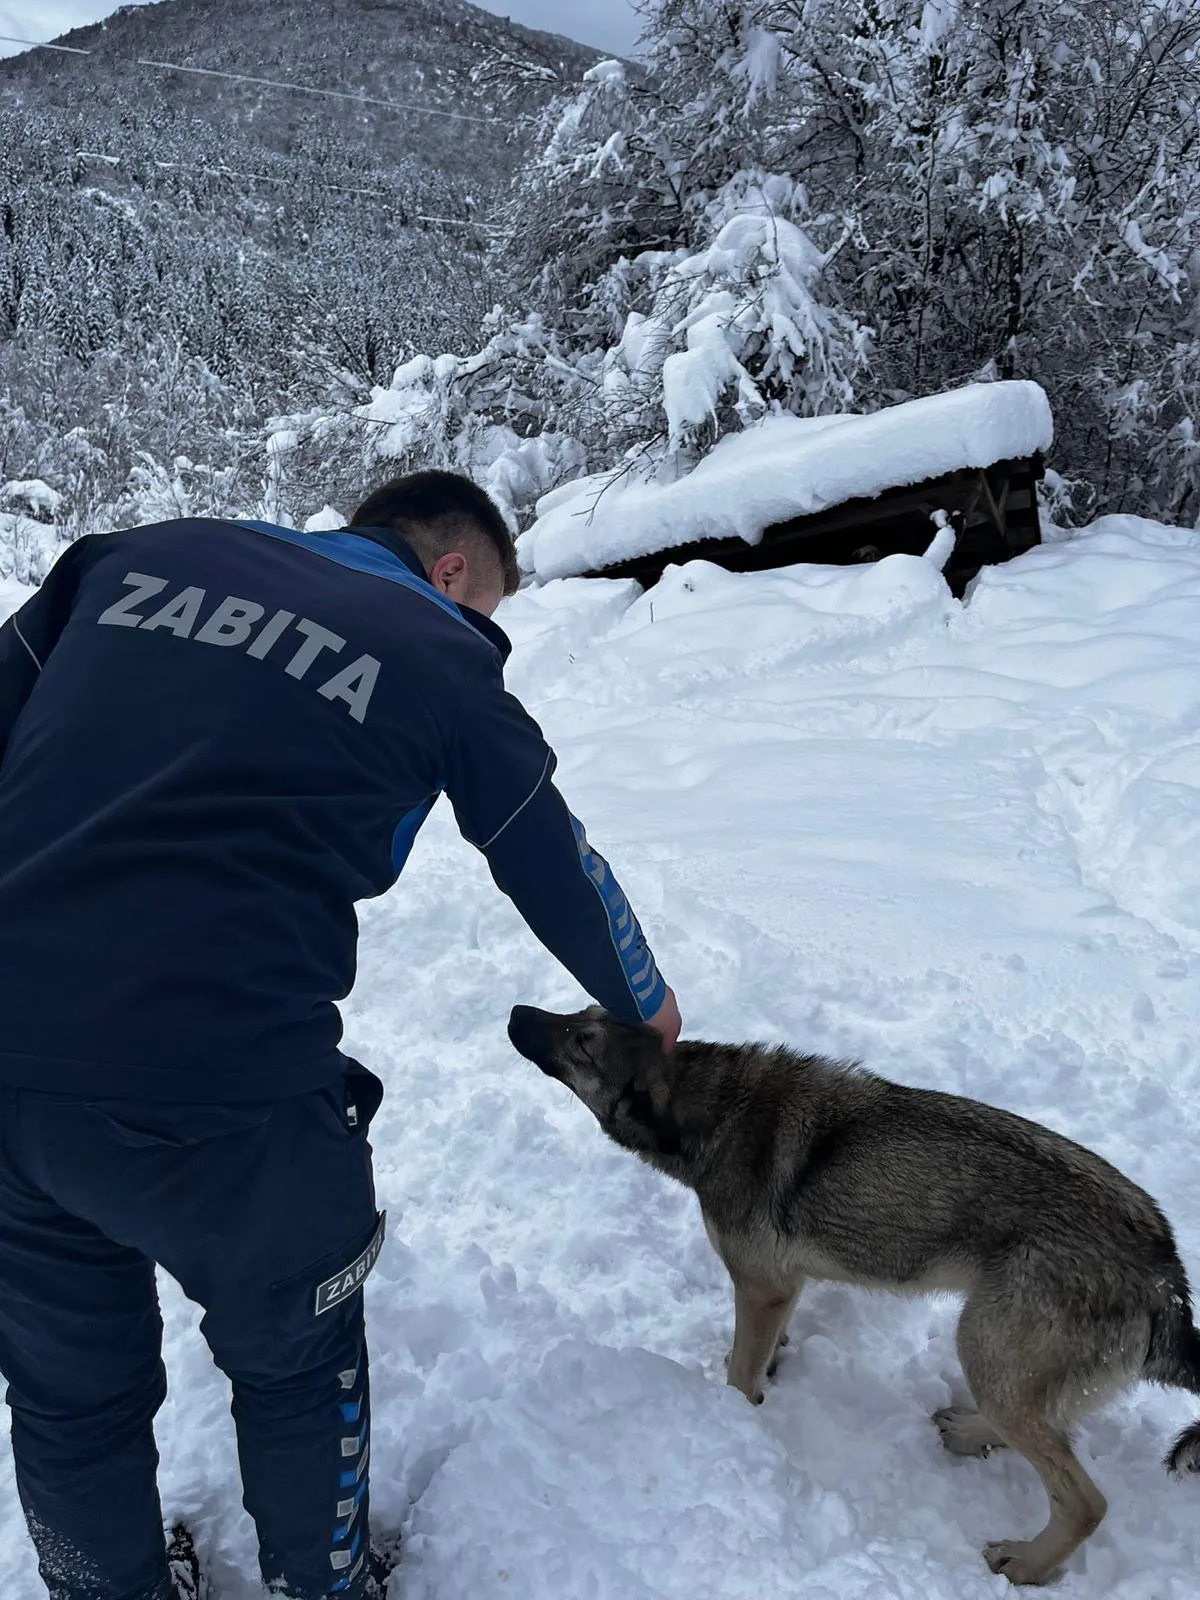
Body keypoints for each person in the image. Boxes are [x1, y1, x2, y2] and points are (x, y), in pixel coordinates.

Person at [0, 471, 680, 1600]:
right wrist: (647, 1001)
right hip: (227, 1091)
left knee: (68, 1389)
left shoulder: (127, 559)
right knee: (299, 1360)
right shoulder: (435, 646)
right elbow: (543, 846)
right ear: (452, 572)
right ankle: (320, 1584)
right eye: (489, 608)